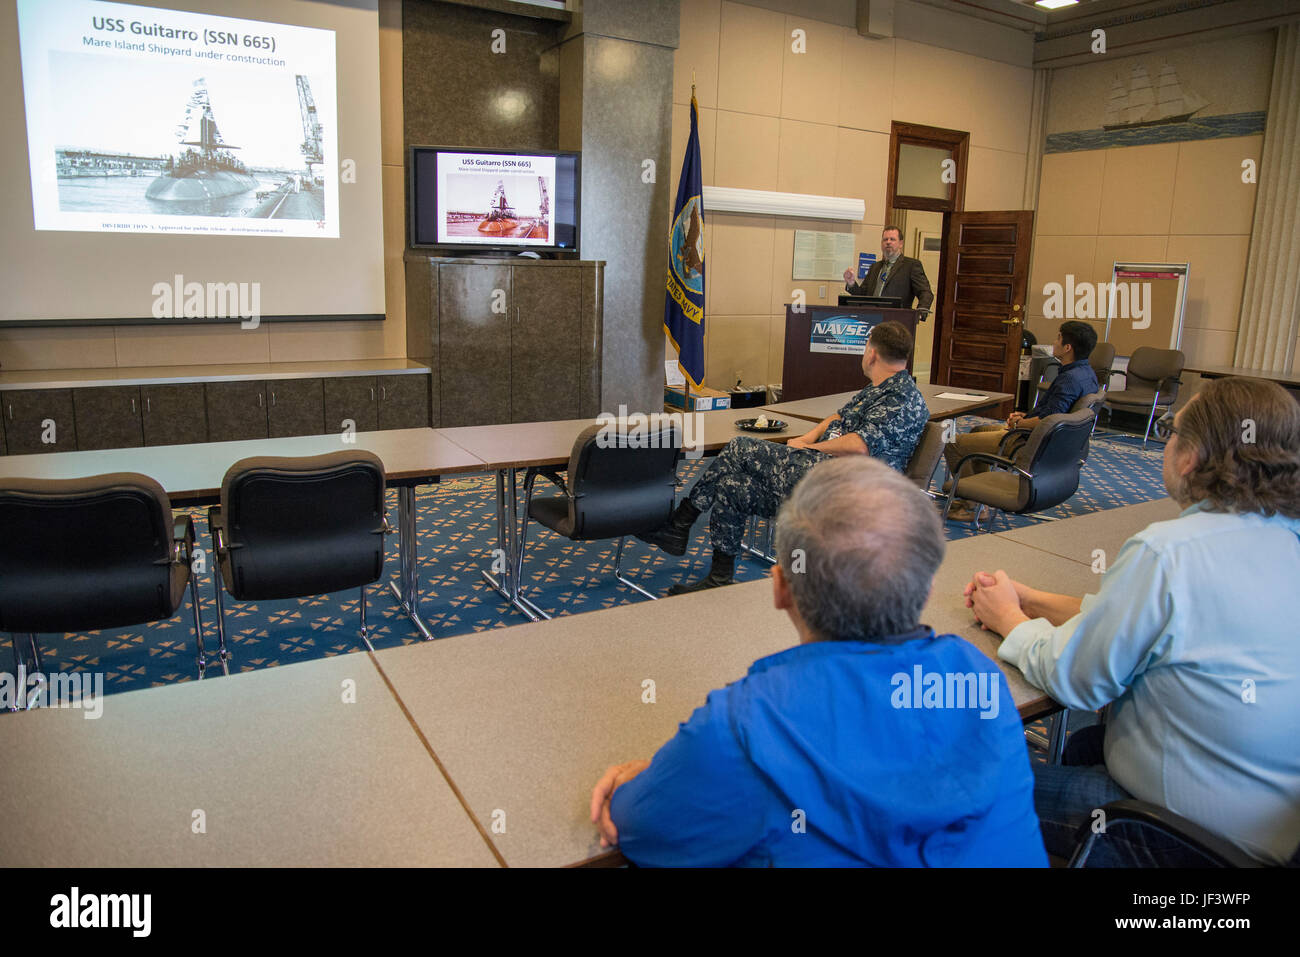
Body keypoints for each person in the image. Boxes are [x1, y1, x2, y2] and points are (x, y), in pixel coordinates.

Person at [591, 457, 1048, 866]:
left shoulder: (747, 723)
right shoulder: (978, 674)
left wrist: (655, 776)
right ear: (926, 589)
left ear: (780, 587)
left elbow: (633, 825)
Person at [964, 377, 1300, 865]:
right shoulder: (1283, 540)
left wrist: (1010, 621)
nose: (1167, 441)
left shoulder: (1168, 552)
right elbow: (1148, 626)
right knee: (1083, 744)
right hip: (1268, 820)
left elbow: (1077, 679)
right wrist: (1033, 599)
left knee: (971, 783)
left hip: (1183, 834)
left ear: (1193, 455)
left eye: (1173, 430)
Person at [638, 320, 928, 594]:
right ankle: (719, 576)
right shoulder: (879, 388)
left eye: (866, 347)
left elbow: (860, 445)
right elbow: (839, 417)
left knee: (740, 446)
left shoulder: (901, 398)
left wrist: (811, 449)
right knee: (731, 484)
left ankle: (680, 523)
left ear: (872, 353)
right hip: (824, 474)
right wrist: (807, 437)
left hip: (847, 487)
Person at [943, 320, 1100, 523]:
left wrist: (1019, 424)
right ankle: (979, 498)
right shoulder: (1087, 374)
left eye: (1058, 338)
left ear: (1068, 347)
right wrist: (1024, 417)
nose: (1055, 341)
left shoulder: (1069, 380)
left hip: (1030, 443)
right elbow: (1052, 414)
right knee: (977, 431)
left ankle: (972, 507)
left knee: (952, 442)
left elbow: (1050, 421)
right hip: (1050, 443)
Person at [842, 225, 934, 313]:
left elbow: (925, 292)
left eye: (892, 239)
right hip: (872, 319)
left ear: (900, 243)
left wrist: (922, 309)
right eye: (885, 239)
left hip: (897, 321)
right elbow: (862, 295)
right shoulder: (875, 267)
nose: (888, 242)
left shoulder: (911, 265)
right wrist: (851, 283)